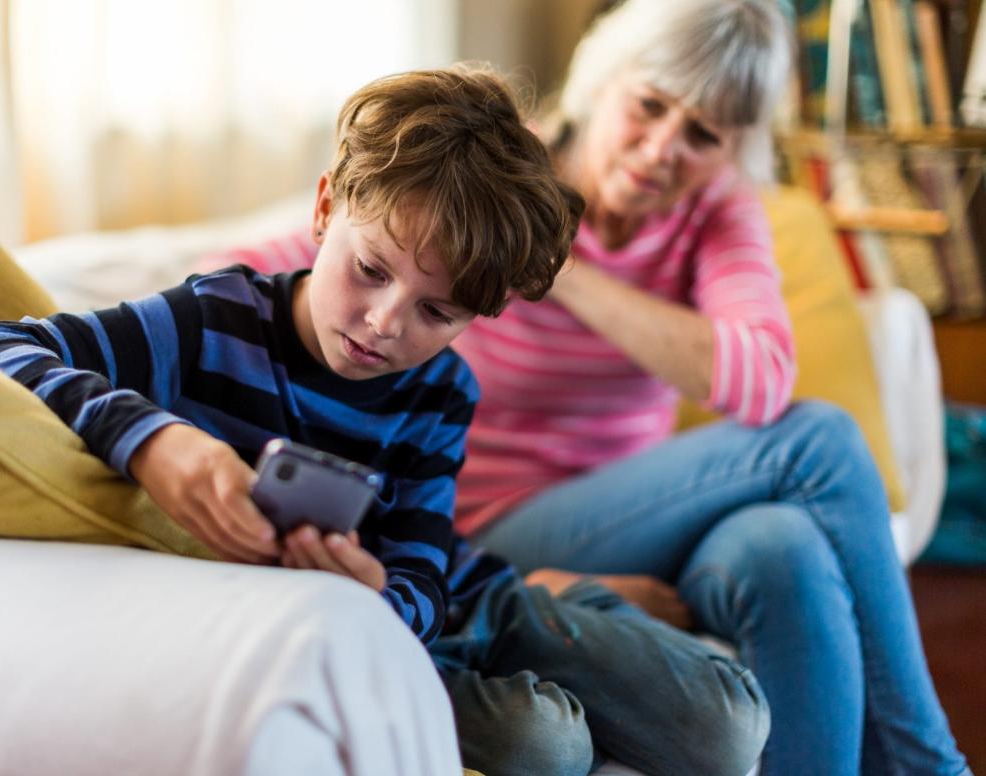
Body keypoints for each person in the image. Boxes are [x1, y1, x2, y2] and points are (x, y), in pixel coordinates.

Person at [192, 3, 972, 774]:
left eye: (702, 134)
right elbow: (316, 251)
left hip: (640, 516)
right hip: (486, 526)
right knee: (820, 440)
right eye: (649, 106)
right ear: (604, 81)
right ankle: (925, 763)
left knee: (784, 545)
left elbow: (759, 381)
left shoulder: (715, 211)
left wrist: (558, 270)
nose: (662, 148)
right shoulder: (503, 183)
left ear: (733, 149)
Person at [0, 65, 769, 776]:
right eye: (370, 269)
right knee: (544, 746)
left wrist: (380, 592)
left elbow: (421, 571)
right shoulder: (213, 321)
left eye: (436, 311)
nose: (385, 323)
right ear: (325, 210)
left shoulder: (440, 391)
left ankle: (572, 606)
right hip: (363, 641)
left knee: (730, 728)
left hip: (449, 603)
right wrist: (154, 442)